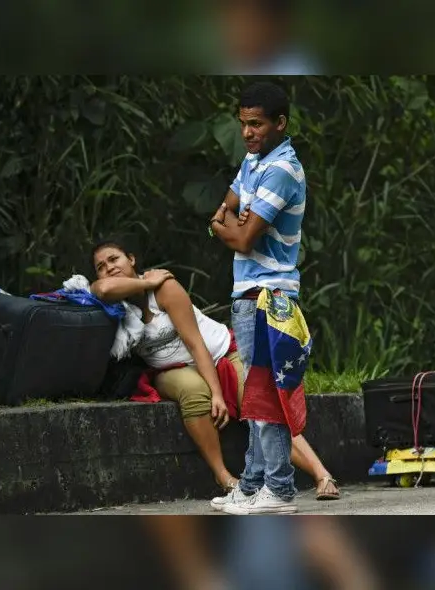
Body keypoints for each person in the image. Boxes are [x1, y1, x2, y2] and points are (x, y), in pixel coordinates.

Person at [88, 238, 338, 504]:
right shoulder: (113, 302)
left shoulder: (165, 288)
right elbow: (101, 288)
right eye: (101, 266)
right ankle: (224, 477)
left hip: (219, 352)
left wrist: (217, 393)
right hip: (171, 369)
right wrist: (145, 282)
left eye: (114, 259)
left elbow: (196, 344)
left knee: (263, 406)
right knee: (193, 391)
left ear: (131, 259)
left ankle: (321, 474)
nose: (109, 268)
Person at [209, 80, 337, 514]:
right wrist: (231, 224)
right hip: (248, 292)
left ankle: (279, 490)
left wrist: (233, 226)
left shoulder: (282, 169)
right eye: (243, 123)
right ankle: (251, 485)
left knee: (266, 394)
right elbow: (219, 215)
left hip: (270, 293)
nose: (248, 132)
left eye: (257, 124)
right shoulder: (253, 160)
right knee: (257, 395)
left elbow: (241, 236)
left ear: (280, 123)